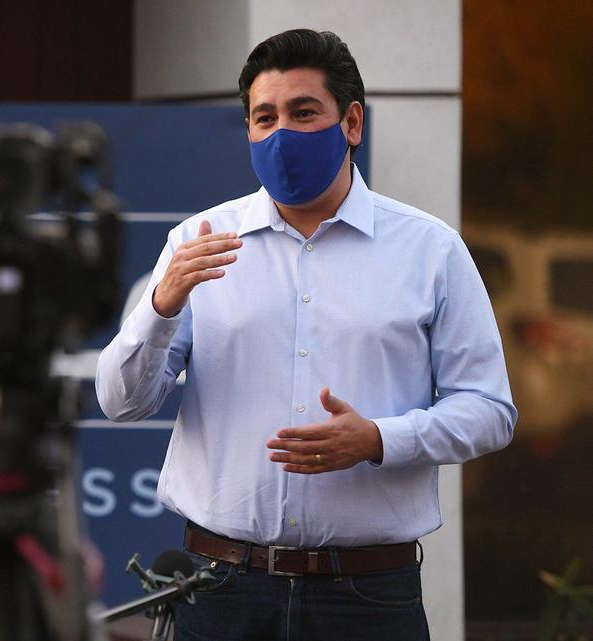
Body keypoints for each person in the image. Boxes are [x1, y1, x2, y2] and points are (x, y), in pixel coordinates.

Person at [96, 29, 515, 640]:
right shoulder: (199, 243)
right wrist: (160, 306)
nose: (281, 134)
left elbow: (490, 411)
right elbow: (120, 402)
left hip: (369, 594)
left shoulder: (429, 249)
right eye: (264, 118)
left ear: (350, 123)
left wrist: (378, 439)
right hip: (221, 589)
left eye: (303, 112)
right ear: (247, 130)